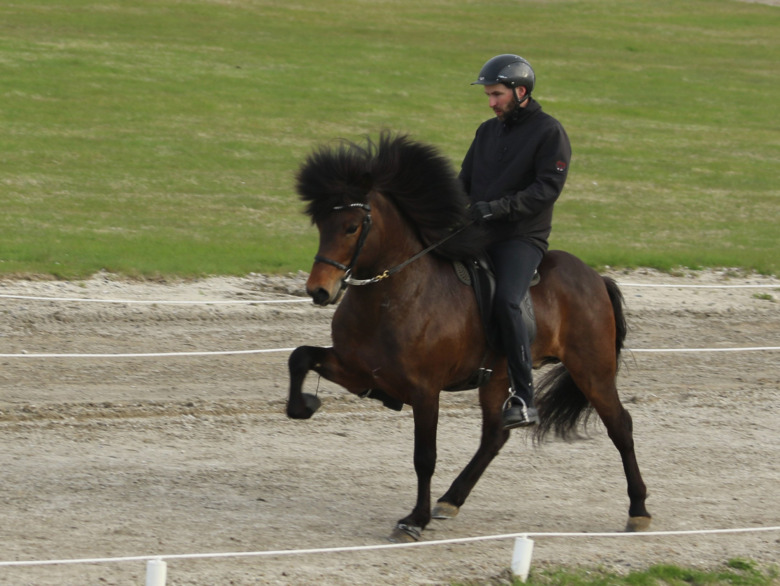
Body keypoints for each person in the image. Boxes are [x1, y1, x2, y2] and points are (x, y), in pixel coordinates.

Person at [459, 54, 571, 429]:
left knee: (507, 300)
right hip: (479, 231)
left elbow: (547, 189)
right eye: (488, 95)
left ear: (520, 92)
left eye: (497, 94)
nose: (491, 102)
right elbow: (464, 182)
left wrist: (497, 209)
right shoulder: (485, 132)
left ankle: (523, 396)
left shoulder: (549, 132)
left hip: (521, 237)